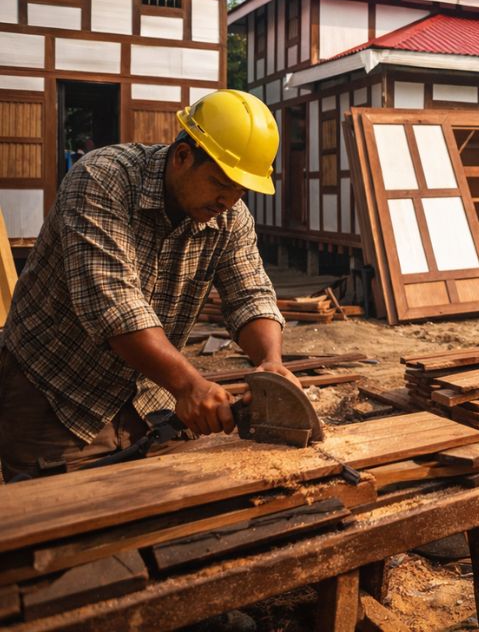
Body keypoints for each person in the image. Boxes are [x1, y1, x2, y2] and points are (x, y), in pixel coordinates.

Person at [0, 90, 300, 481]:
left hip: (150, 396)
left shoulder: (230, 216)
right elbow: (115, 306)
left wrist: (271, 363)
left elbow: (251, 295)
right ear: (182, 156)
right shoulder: (101, 179)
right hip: (57, 392)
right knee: (57, 514)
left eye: (241, 190)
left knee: (164, 503)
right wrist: (189, 386)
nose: (227, 200)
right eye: (220, 183)